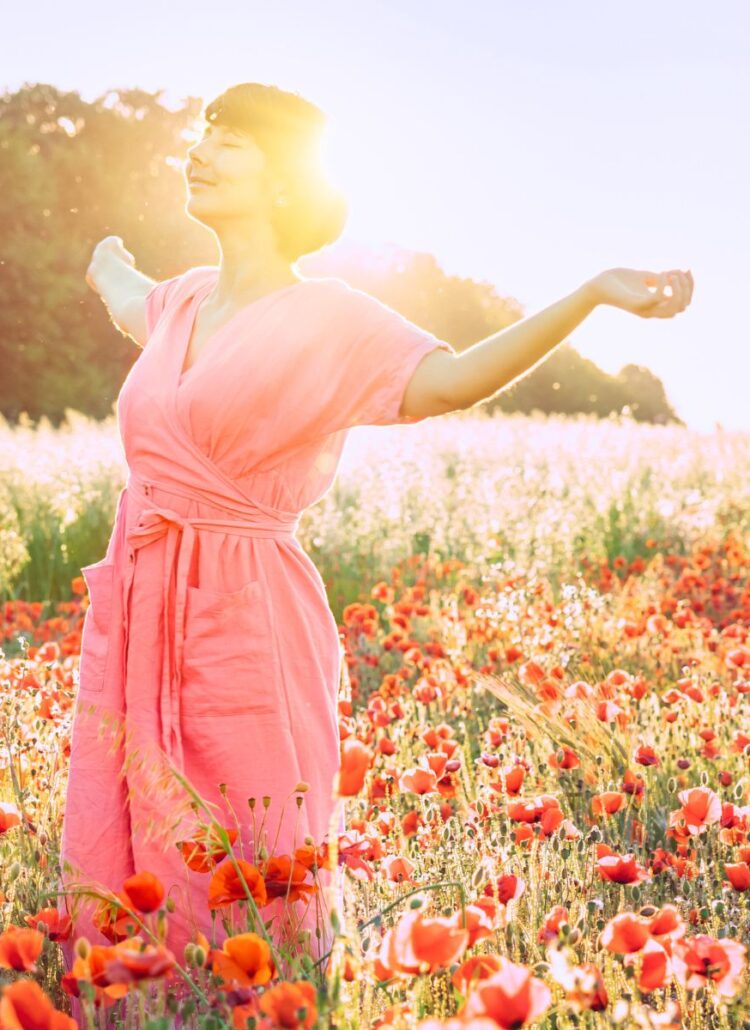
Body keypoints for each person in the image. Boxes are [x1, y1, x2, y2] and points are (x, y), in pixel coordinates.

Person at [57, 79, 693, 1022]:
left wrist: (592, 294)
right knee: (145, 838)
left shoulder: (334, 318)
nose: (201, 150)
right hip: (145, 602)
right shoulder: (180, 303)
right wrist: (106, 259)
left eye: (228, 141)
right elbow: (124, 300)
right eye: (202, 133)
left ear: (283, 182)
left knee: (253, 846)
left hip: (247, 615)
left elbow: (450, 380)